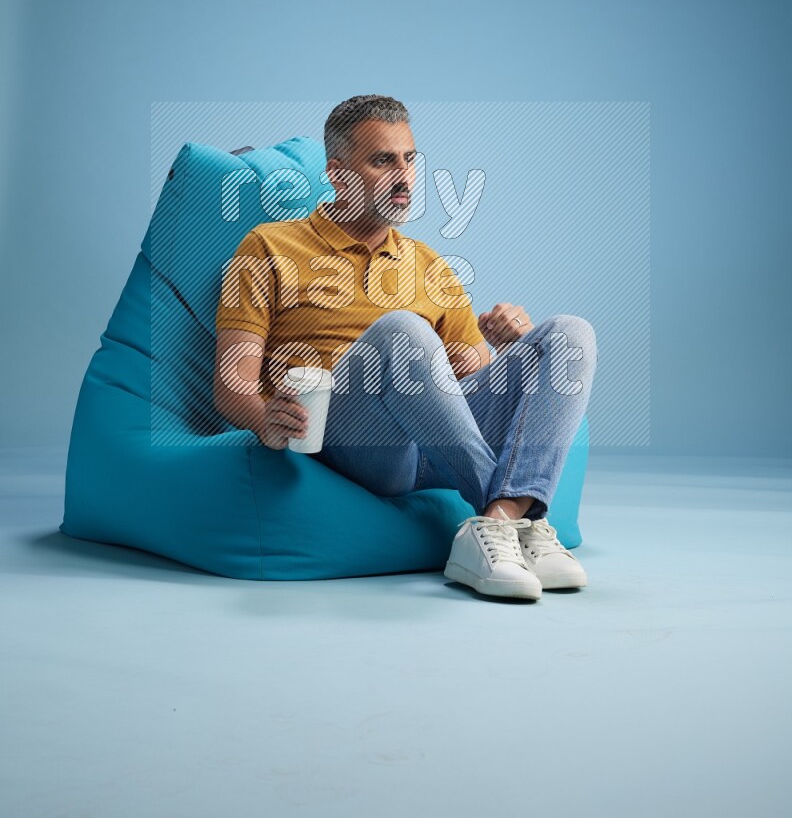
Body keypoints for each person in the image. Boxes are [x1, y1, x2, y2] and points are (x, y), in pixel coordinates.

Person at [213, 95, 598, 602]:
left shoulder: (431, 265)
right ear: (337, 172)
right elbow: (230, 383)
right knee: (401, 331)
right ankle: (520, 520)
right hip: (349, 440)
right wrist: (266, 418)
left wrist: (504, 348)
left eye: (409, 159)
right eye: (382, 160)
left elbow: (468, 379)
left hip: (434, 445)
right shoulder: (268, 246)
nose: (403, 176)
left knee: (569, 336)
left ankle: (500, 521)